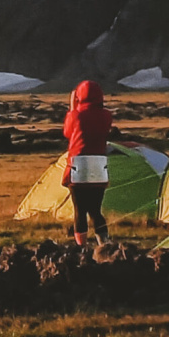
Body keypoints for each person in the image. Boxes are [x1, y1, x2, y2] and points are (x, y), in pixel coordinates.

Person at [62, 79, 113, 247]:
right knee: (95, 210)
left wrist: (72, 106)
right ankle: (104, 243)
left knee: (80, 210)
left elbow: (67, 132)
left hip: (79, 164)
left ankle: (81, 246)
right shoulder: (106, 116)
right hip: (99, 164)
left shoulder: (76, 116)